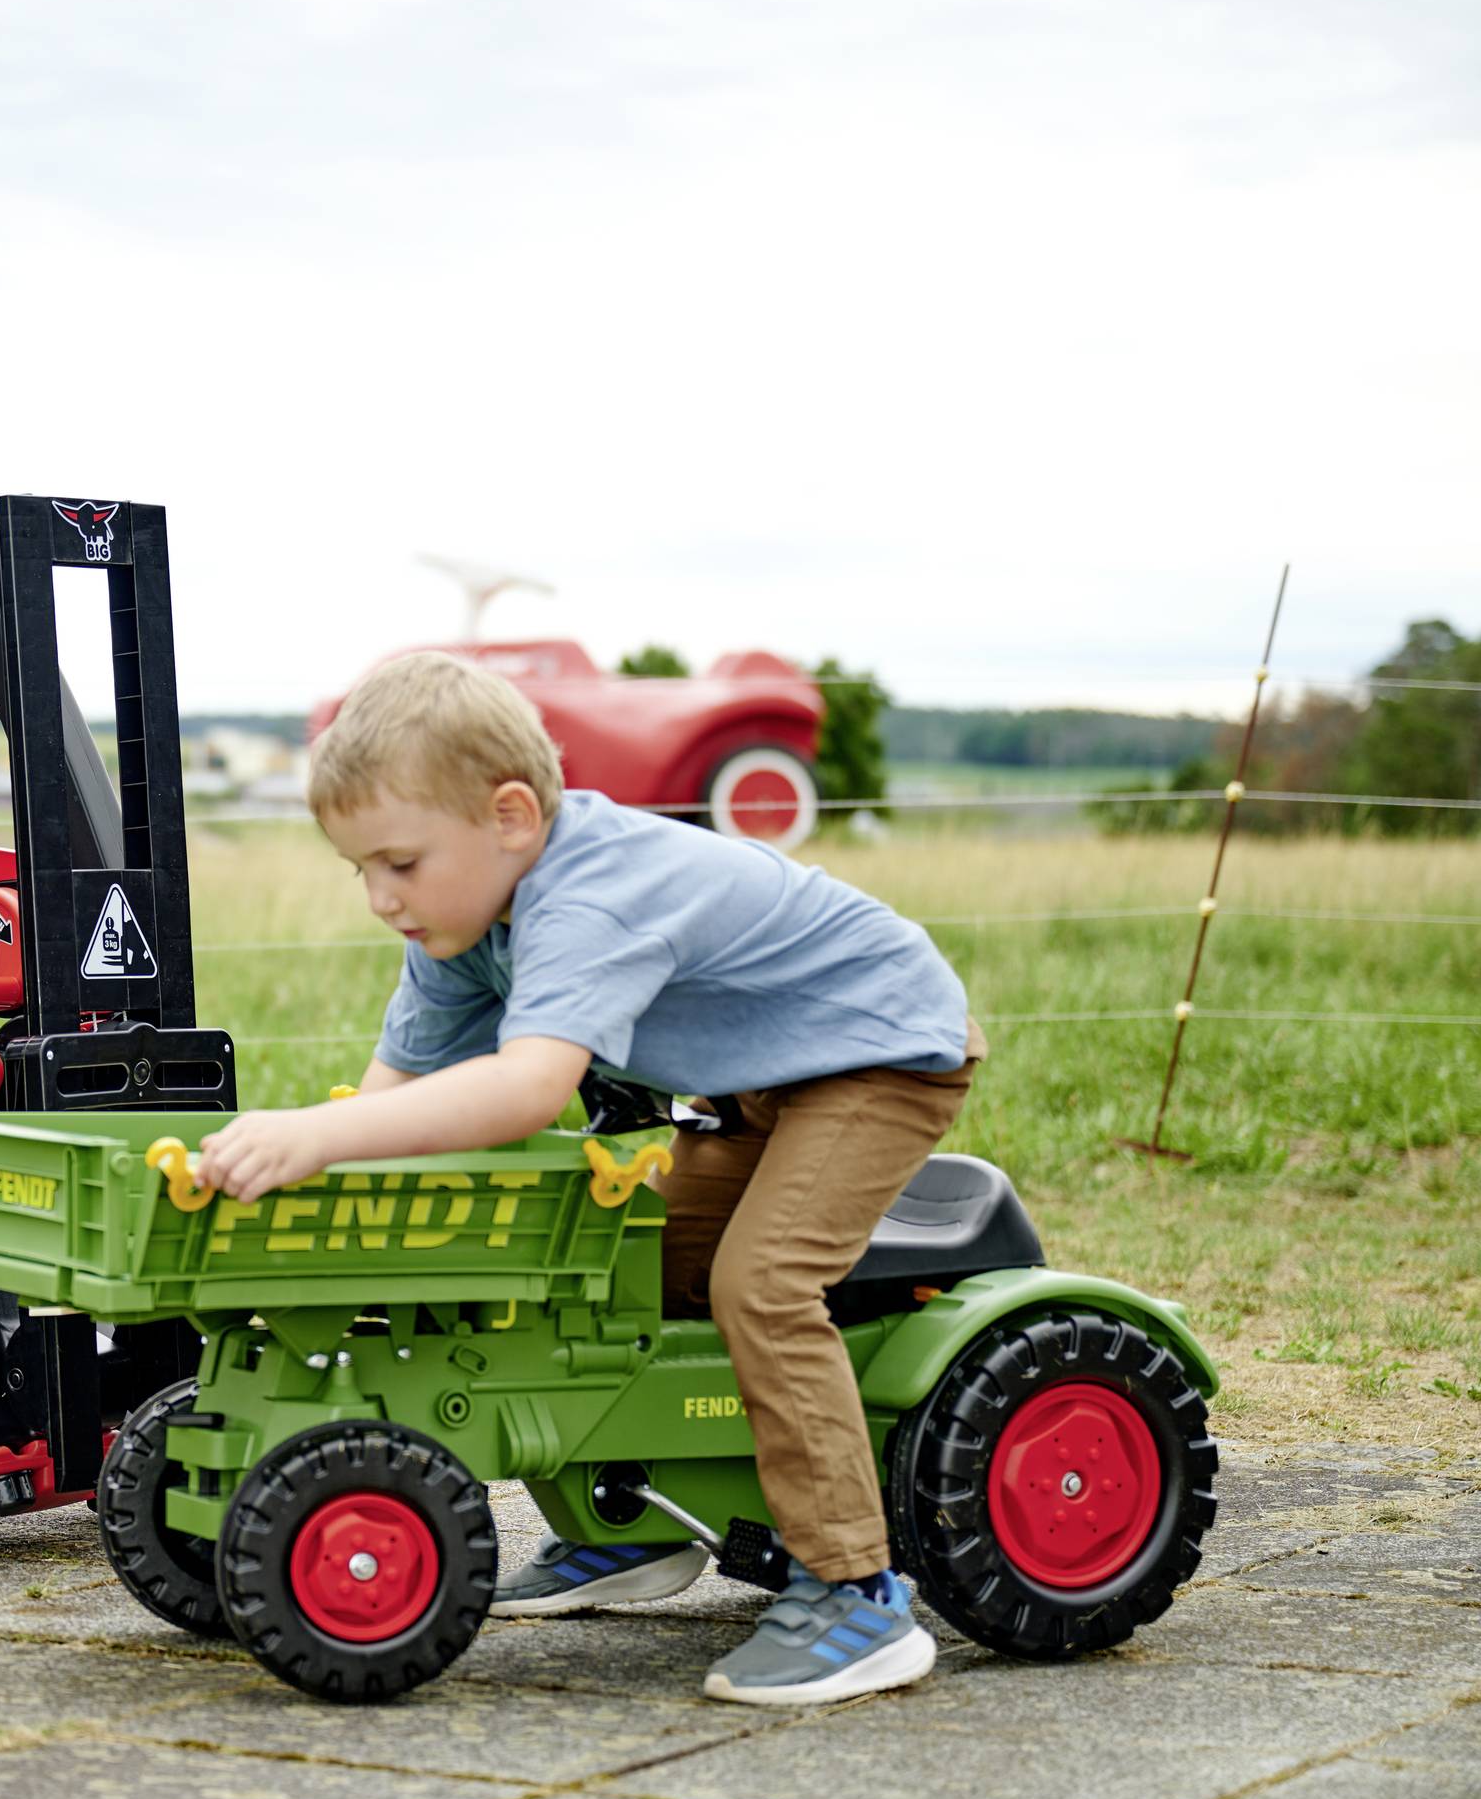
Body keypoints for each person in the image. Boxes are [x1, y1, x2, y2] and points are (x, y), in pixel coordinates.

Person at [191, 650, 983, 1706]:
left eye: (400, 862)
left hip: (876, 1057)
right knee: (595, 1251)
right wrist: (312, 1165)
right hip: (755, 1088)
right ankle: (636, 1524)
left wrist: (317, 1141)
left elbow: (526, 1090)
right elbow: (394, 1092)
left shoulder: (589, 892)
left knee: (763, 1281)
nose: (382, 897)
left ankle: (856, 1587)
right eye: (361, 870)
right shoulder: (462, 917)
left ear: (511, 816)